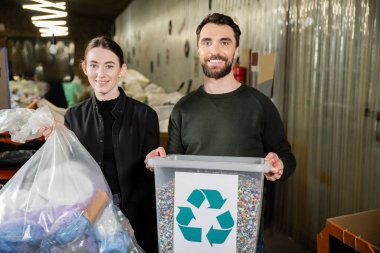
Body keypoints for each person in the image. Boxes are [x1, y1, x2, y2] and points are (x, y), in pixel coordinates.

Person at [146, 13, 296, 253]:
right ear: (198, 50)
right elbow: (173, 167)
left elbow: (288, 159)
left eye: (224, 42)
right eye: (207, 42)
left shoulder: (260, 105)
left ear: (236, 49)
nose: (215, 51)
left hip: (244, 232)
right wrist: (160, 161)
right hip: (193, 231)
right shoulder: (183, 109)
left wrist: (279, 166)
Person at [41, 36, 159, 252]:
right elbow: (72, 173)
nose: (101, 74)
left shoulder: (145, 116)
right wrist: (55, 143)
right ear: (85, 68)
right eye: (94, 65)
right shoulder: (74, 116)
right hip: (89, 214)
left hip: (134, 215)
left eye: (109, 66)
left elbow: (148, 175)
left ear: (121, 70)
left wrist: (125, 219)